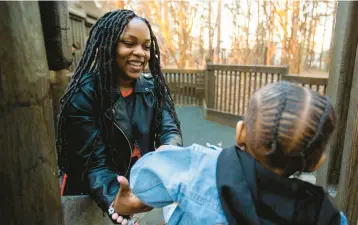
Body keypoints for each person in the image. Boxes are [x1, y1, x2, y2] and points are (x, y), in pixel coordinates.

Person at [126, 81, 348, 225]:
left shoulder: (200, 166)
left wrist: (166, 154)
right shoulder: (326, 217)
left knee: (178, 195)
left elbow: (143, 179)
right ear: (316, 162)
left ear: (241, 132)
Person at [56, 9, 182, 225]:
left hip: (129, 181)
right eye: (129, 43)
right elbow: (94, 164)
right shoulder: (84, 94)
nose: (141, 53)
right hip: (90, 189)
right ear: (108, 46)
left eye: (146, 46)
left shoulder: (154, 87)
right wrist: (115, 197)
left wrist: (170, 147)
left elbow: (169, 129)